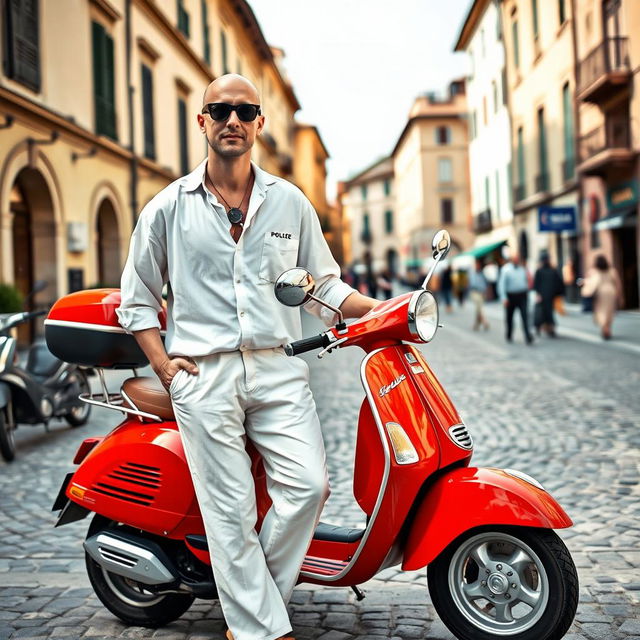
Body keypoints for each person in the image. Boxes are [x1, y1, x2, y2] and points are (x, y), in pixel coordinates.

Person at [116, 74, 378, 640]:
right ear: (203, 121)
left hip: (278, 367)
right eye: (219, 109)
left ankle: (257, 611)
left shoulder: (289, 201)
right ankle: (261, 631)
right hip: (202, 373)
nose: (231, 119)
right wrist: (164, 367)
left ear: (260, 123)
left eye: (244, 110)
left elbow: (323, 285)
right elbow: (137, 301)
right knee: (230, 509)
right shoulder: (167, 208)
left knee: (309, 486)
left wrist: (381, 308)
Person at [581, 254, 622, 340]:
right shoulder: (612, 271)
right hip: (611, 292)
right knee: (609, 312)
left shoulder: (594, 271)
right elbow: (618, 283)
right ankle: (607, 328)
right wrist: (619, 295)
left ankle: (605, 329)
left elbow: (588, 281)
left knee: (601, 311)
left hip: (600, 293)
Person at [497, 252, 533, 344]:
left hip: (522, 295)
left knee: (525, 316)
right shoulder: (506, 270)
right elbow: (501, 285)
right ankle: (509, 334)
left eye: (518, 259)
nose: (517, 260)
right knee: (509, 318)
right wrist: (504, 298)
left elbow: (528, 280)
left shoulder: (522, 269)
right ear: (512, 259)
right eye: (515, 259)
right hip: (511, 296)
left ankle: (527, 335)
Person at [533, 253, 564, 337]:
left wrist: (538, 294)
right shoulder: (552, 270)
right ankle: (548, 328)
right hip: (549, 295)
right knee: (547, 312)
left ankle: (544, 327)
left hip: (545, 295)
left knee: (544, 312)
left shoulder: (540, 270)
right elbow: (559, 283)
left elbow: (536, 284)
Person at [469, 259, 489, 331]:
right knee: (479, 308)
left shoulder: (482, 274)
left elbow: (486, 283)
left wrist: (485, 291)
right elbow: (472, 284)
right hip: (475, 292)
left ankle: (476, 324)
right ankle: (485, 322)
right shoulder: (472, 274)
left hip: (482, 293)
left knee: (478, 309)